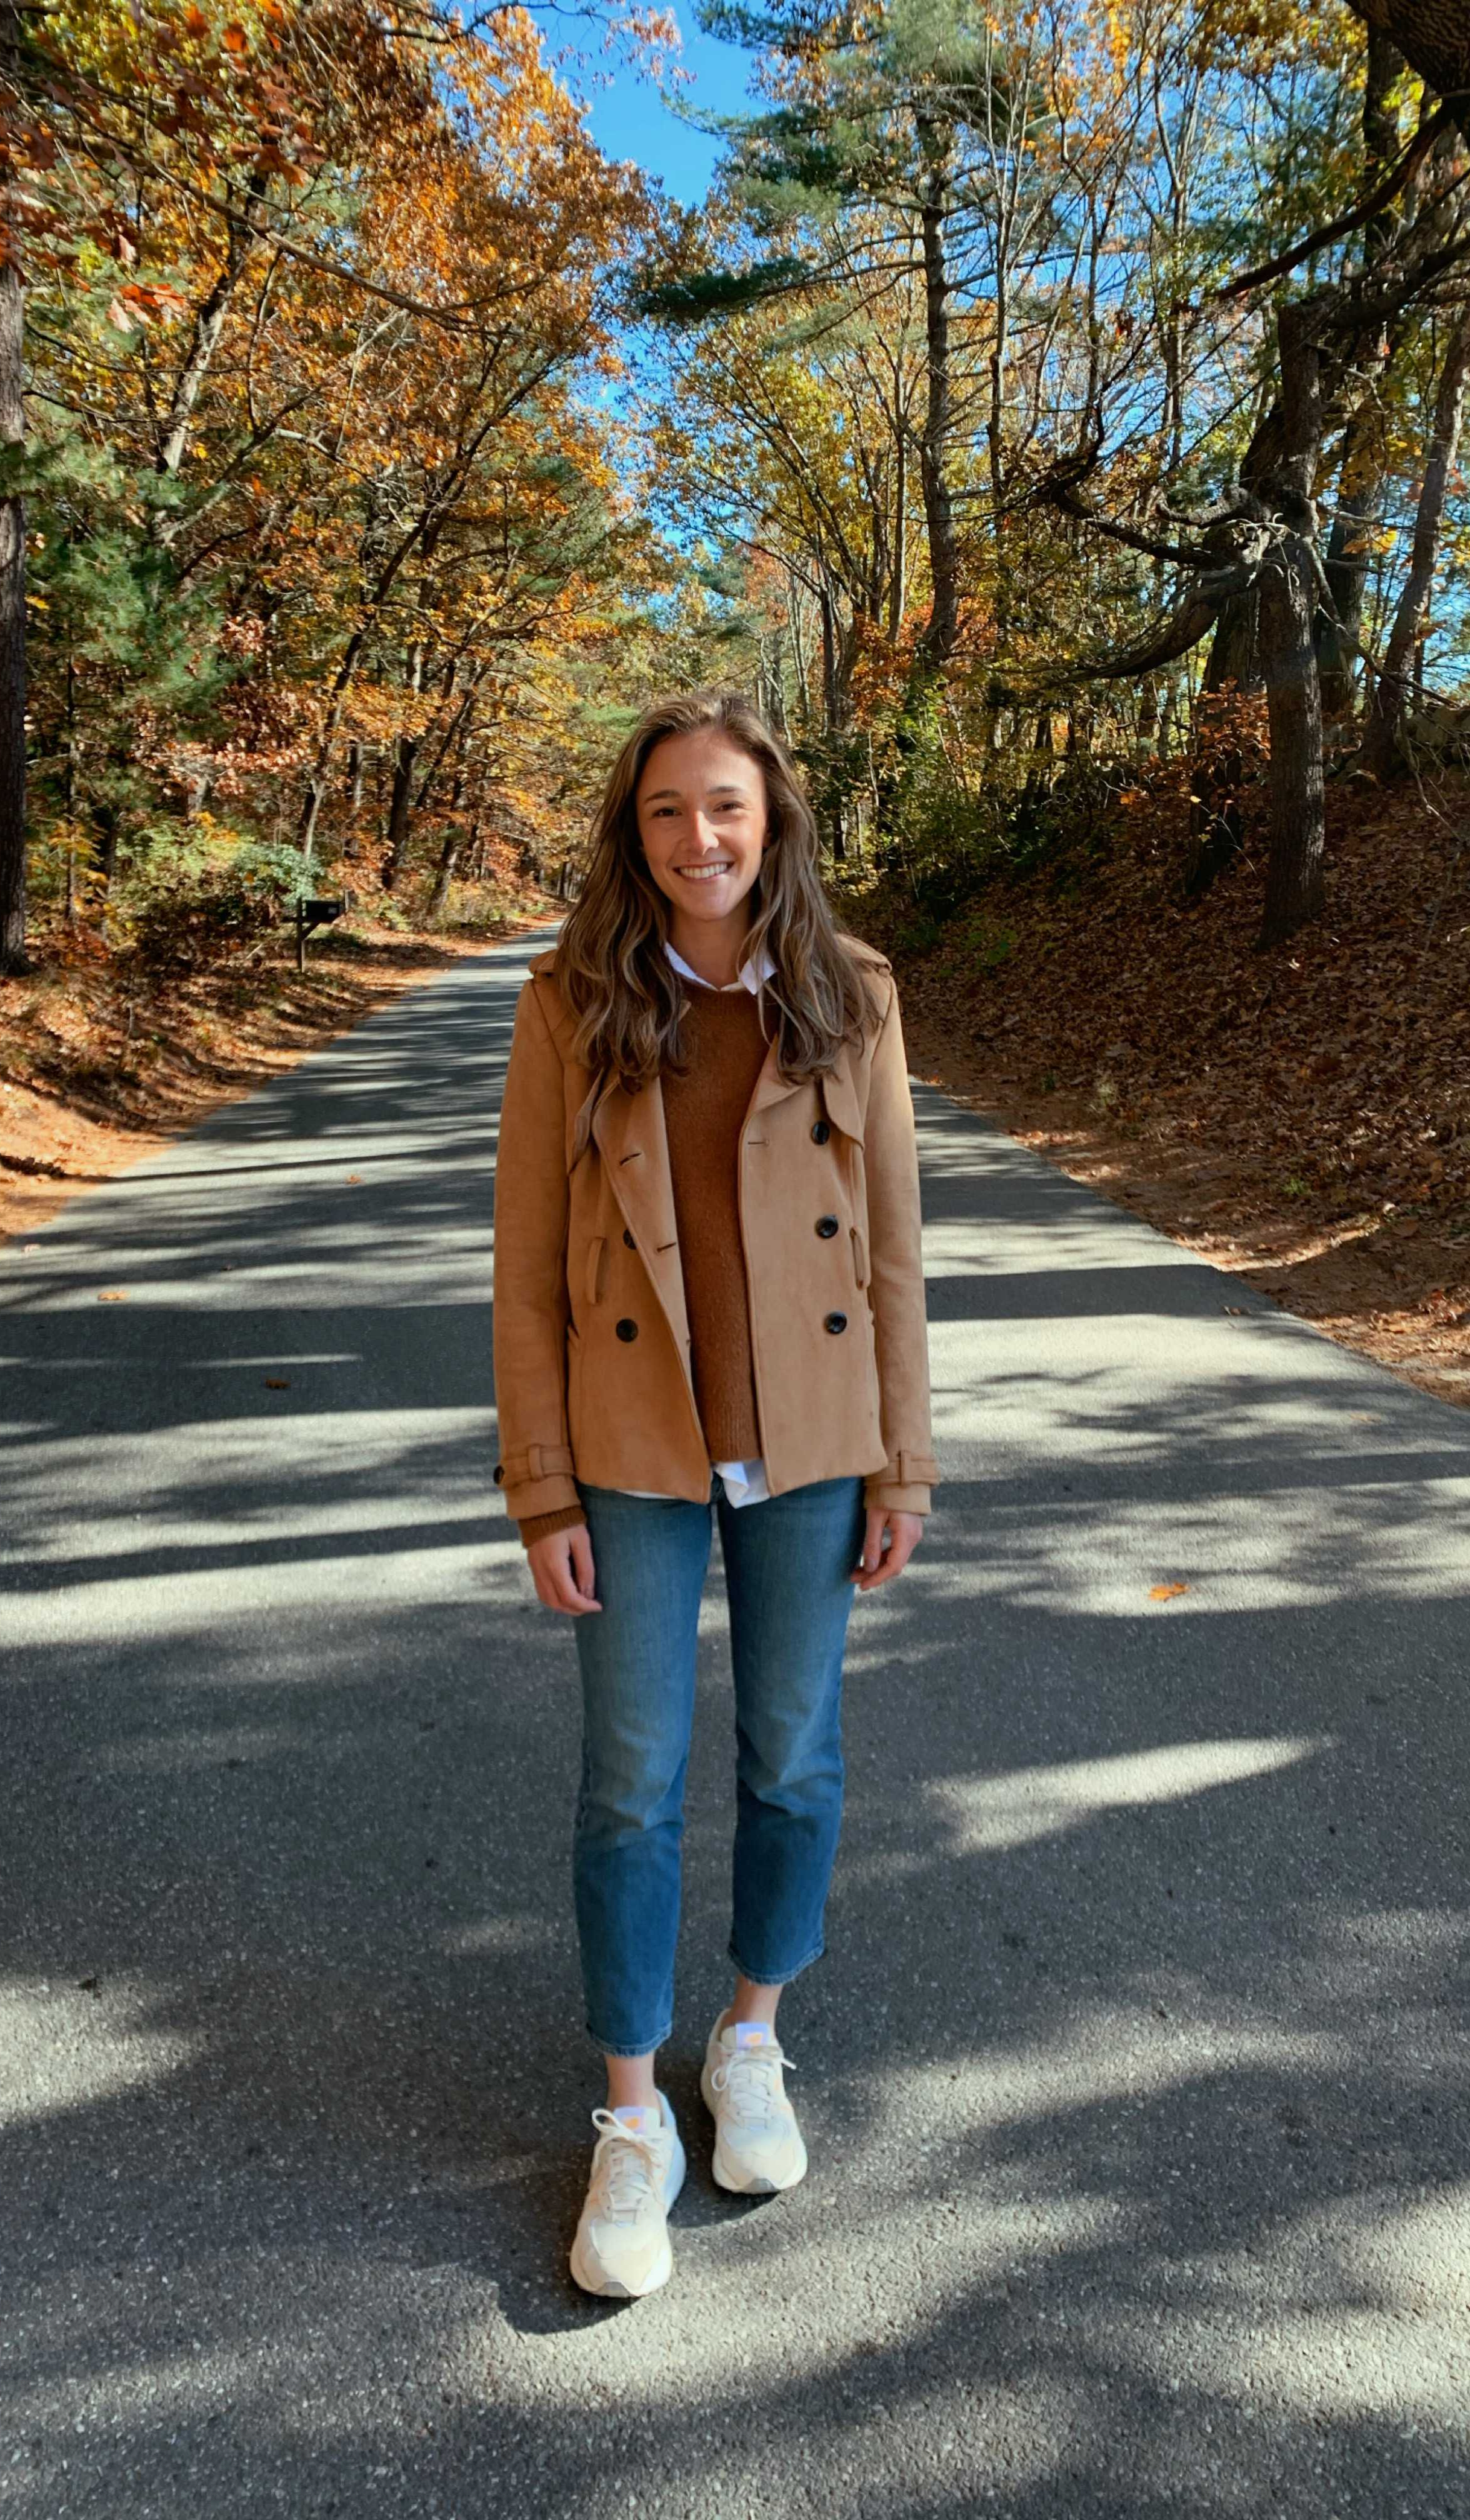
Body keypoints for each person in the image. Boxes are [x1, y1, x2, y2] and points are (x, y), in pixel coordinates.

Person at [490, 688, 938, 2298]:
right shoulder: (572, 1002)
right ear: (635, 829)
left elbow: (889, 1253)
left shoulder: (852, 995)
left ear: (775, 822)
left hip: (814, 1449)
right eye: (669, 810)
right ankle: (629, 2115)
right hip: (631, 1452)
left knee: (794, 1757)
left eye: (728, 807)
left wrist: (905, 1460)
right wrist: (541, 1490)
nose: (701, 839)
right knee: (631, 1779)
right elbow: (527, 1269)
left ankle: (751, 2034)